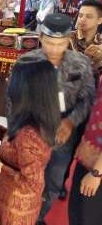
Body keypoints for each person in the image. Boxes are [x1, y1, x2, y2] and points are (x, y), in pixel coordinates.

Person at [17, 13, 95, 225]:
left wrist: (70, 122)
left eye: (60, 43)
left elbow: (87, 101)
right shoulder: (26, 62)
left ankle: (40, 217)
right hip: (32, 134)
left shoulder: (81, 64)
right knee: (28, 178)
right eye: (50, 42)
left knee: (53, 181)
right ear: (41, 37)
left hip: (63, 136)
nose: (54, 49)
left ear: (68, 39)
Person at [0, 58, 60, 224]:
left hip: (15, 209)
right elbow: (14, 141)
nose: (8, 81)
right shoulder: (33, 119)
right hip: (10, 199)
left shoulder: (30, 134)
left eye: (12, 78)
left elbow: (31, 182)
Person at [69, 76, 102, 224]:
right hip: (89, 156)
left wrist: (97, 173)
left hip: (97, 168)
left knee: (86, 217)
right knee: (77, 211)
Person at [70, 0, 102, 80]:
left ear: (99, 20)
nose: (82, 19)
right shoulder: (67, 39)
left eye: (89, 16)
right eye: (80, 15)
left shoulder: (100, 42)